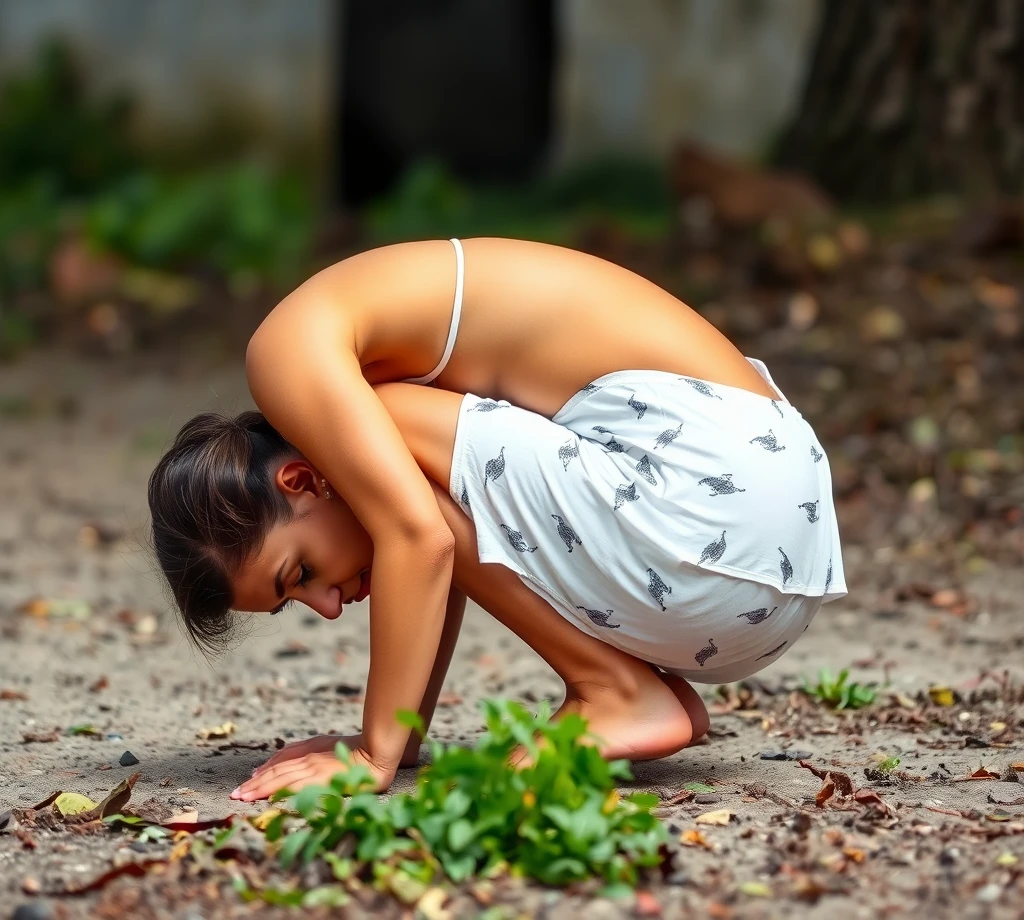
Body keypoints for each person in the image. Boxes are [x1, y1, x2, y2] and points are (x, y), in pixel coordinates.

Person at [147, 237, 846, 802]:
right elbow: (440, 529)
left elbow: (419, 539)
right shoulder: (353, 376)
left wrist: (372, 754)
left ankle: (615, 693)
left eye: (297, 574)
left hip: (717, 500)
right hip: (764, 551)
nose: (328, 606)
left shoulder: (285, 353)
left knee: (390, 455)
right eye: (297, 602)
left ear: (299, 480)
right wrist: (405, 738)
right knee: (398, 473)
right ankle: (619, 690)